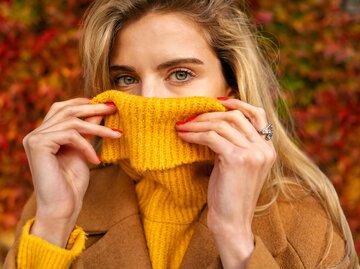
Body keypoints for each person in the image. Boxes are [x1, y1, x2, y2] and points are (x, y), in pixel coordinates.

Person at [4, 0, 359, 268]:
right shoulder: (59, 203)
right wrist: (55, 222)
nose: (149, 100)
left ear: (232, 86)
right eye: (126, 79)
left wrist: (235, 237)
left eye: (180, 74)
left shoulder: (304, 220)